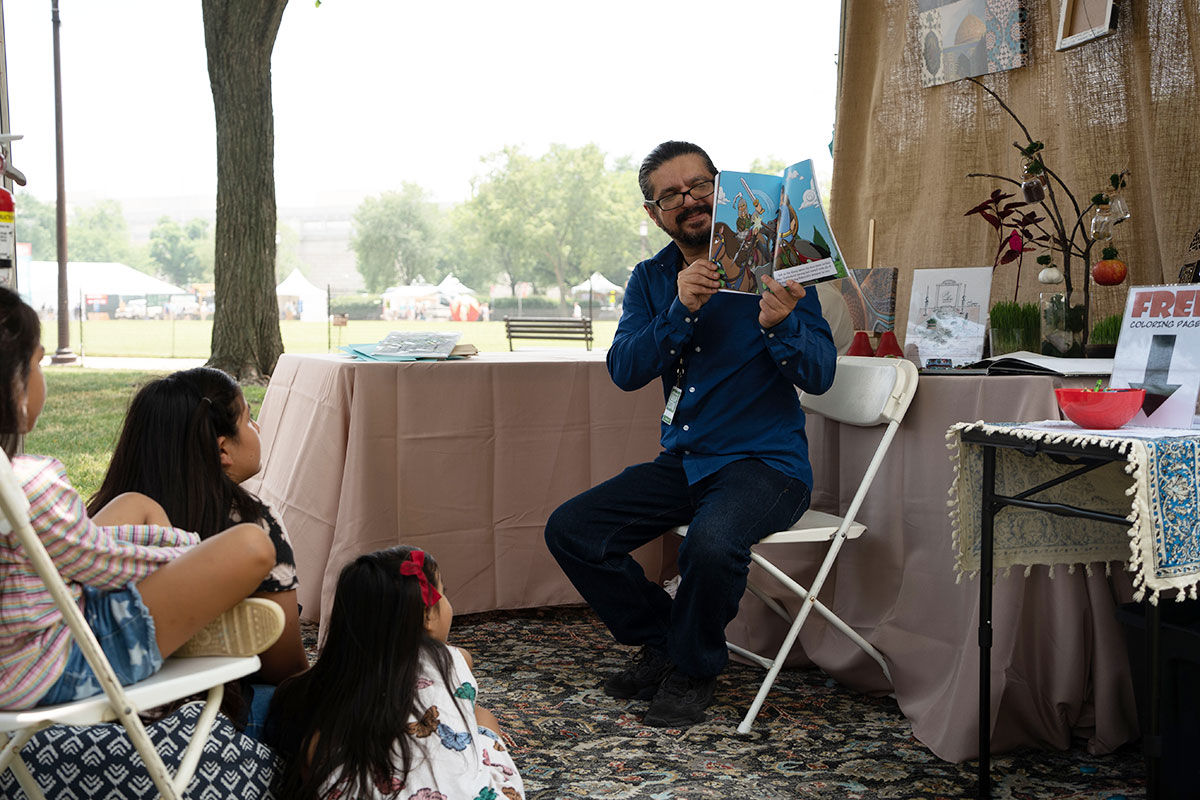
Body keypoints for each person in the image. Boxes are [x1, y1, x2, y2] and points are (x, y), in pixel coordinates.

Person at [544, 141, 837, 728]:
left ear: (723, 189)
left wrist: (781, 326)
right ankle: (666, 642)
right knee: (572, 531)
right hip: (685, 463)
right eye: (670, 195)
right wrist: (677, 309)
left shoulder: (779, 268)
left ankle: (695, 667)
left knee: (708, 543)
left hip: (767, 467)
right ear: (654, 213)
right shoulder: (651, 278)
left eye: (700, 185)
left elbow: (821, 375)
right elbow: (625, 371)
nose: (690, 200)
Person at [0, 287, 282, 711]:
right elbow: (99, 563)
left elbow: (75, 553)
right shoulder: (31, 480)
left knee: (136, 503)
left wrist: (159, 542)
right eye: (39, 364)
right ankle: (191, 621)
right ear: (14, 382)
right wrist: (192, 553)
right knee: (250, 546)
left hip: (25, 643)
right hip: (58, 662)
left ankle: (181, 612)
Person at [86, 367, 309, 714]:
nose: (257, 429)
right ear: (222, 450)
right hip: (203, 716)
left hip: (90, 702)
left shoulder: (108, 514)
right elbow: (284, 667)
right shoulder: (253, 525)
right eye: (249, 420)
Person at [268, 546, 523, 800]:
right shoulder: (452, 659)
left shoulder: (333, 677)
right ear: (427, 616)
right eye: (444, 594)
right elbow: (464, 666)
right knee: (482, 716)